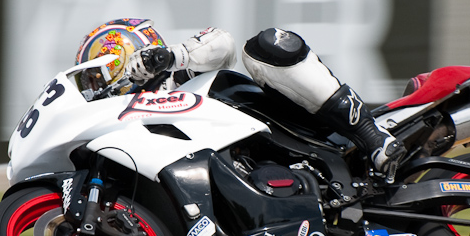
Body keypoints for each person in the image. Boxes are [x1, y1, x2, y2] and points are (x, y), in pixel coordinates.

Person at [75, 18, 404, 180]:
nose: (101, 81)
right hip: (241, 172)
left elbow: (222, 46)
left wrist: (168, 58)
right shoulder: (126, 122)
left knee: (265, 45)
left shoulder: (180, 71)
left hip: (285, 129)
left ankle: (371, 137)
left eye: (101, 70)